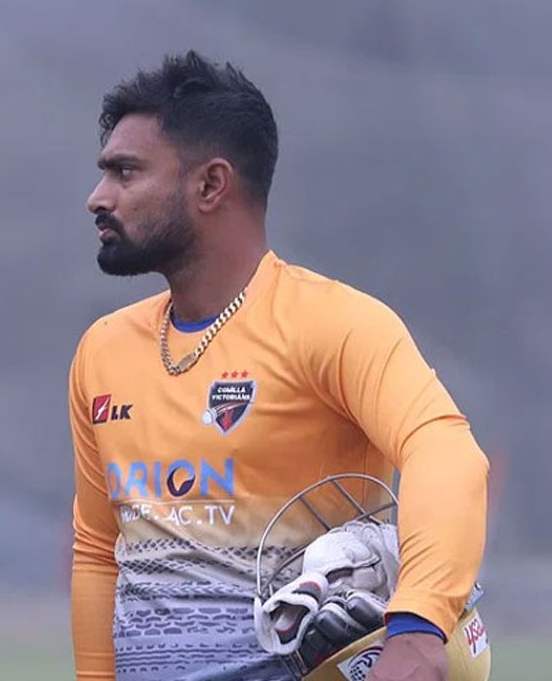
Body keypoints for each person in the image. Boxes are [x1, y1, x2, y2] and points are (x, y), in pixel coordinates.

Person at [68, 51, 489, 681]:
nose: (97, 198)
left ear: (211, 185)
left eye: (125, 172)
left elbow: (446, 452)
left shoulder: (332, 324)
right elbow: (100, 552)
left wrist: (419, 628)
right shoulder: (102, 349)